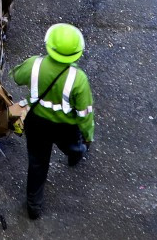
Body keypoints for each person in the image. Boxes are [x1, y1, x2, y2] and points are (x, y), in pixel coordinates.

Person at [11, 22, 95, 219]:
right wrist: (88, 135)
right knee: (73, 145)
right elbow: (85, 113)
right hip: (65, 127)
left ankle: (34, 207)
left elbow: (16, 76)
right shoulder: (79, 79)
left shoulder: (34, 64)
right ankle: (76, 155)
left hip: (37, 124)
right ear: (77, 53)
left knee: (38, 164)